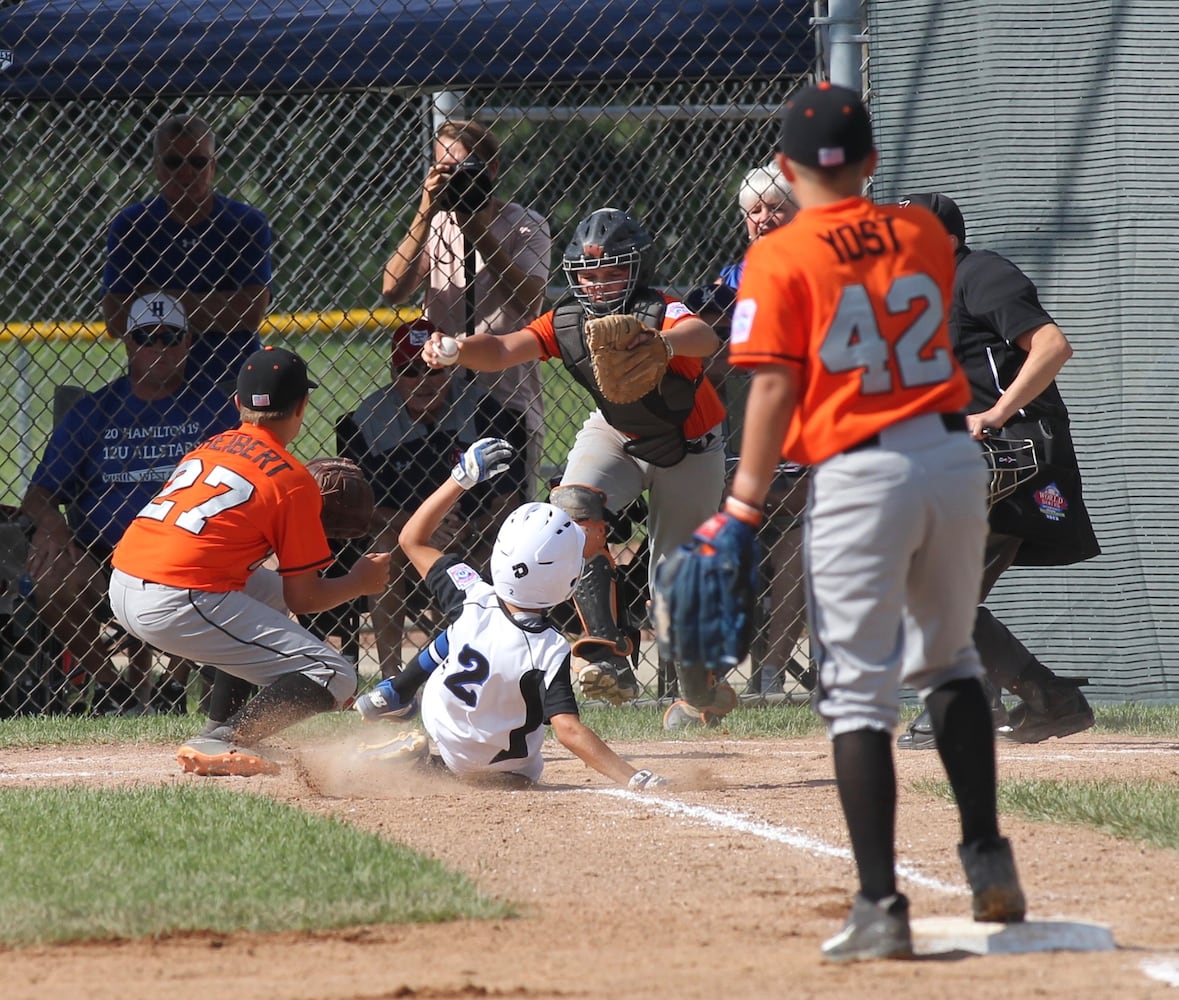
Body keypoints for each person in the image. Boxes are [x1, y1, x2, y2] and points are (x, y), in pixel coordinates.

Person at [686, 82, 1026, 960]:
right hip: (950, 460)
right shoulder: (919, 230)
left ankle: (880, 906)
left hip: (856, 472)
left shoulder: (777, 255)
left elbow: (769, 385)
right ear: (870, 162)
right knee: (948, 660)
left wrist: (740, 505)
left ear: (788, 172)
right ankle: (988, 861)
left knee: (857, 694)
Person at [420, 207, 727, 721]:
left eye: (612, 270)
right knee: (569, 508)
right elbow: (501, 348)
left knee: (675, 590)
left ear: (638, 270)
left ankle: (700, 694)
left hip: (689, 445)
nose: (599, 282)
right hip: (617, 432)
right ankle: (607, 653)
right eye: (588, 272)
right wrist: (455, 350)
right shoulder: (567, 320)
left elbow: (705, 337)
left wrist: (662, 344)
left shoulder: (658, 310)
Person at [108, 346, 391, 776]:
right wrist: (359, 581)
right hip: (175, 598)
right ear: (302, 406)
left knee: (269, 597)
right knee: (336, 675)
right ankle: (229, 741)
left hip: (124, 580)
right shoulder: (291, 479)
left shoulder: (209, 447)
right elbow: (307, 596)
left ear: (238, 405)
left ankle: (221, 726)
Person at [894, 192, 1099, 749]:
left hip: (1016, 449)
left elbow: (1053, 345)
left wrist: (994, 413)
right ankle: (1040, 700)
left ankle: (997, 702)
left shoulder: (978, 274)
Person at [351, 438, 667, 791]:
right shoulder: (550, 649)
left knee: (462, 632)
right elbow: (568, 731)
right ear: (569, 579)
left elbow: (412, 539)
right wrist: (633, 776)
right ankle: (405, 711)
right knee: (467, 636)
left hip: (445, 733)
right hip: (512, 775)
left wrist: (461, 478)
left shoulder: (470, 594)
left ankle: (399, 694)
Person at [21, 292, 238, 715]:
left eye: (170, 337)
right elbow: (38, 493)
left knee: (230, 553)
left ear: (188, 342)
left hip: (187, 549)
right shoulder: (94, 411)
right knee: (49, 574)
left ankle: (173, 689)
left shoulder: (215, 409)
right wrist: (52, 524)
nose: (158, 348)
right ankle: (110, 690)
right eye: (145, 337)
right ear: (128, 343)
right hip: (102, 554)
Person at [337, 317, 526, 678]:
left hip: (474, 535)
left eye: (432, 371)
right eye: (409, 371)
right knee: (383, 546)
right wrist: (420, 531)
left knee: (495, 550)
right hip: (404, 538)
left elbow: (507, 500)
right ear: (393, 374)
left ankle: (458, 671)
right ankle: (392, 675)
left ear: (451, 372)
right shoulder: (367, 423)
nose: (421, 382)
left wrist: (468, 528)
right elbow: (363, 508)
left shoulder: (486, 414)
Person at [381, 119, 549, 498]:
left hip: (506, 394)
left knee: (503, 519)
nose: (458, 179)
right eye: (446, 169)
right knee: (442, 516)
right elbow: (393, 289)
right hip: (440, 398)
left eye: (466, 169)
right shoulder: (437, 224)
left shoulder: (526, 225)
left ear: (492, 169)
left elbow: (530, 298)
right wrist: (425, 211)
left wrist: (480, 235)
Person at [101, 113, 273, 395]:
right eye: (173, 162)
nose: (186, 172)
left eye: (197, 161)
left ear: (213, 166)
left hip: (230, 385)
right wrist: (217, 305)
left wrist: (153, 301)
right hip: (157, 387)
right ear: (157, 167)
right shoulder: (132, 226)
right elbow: (117, 319)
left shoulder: (246, 223)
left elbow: (250, 312)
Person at [717, 162, 799, 290]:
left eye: (776, 209)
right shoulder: (730, 279)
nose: (764, 218)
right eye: (755, 211)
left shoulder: (816, 269)